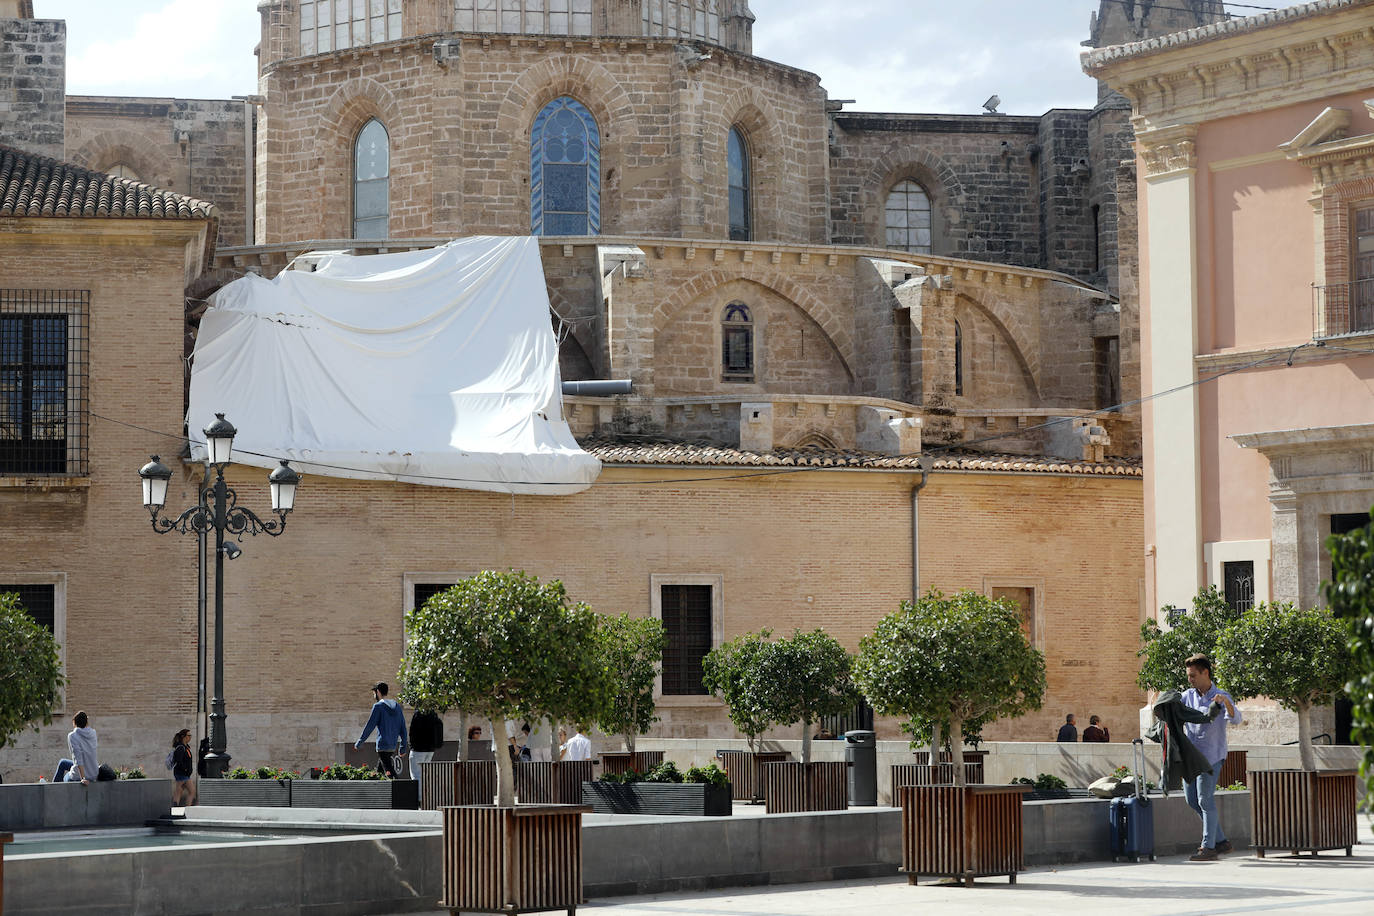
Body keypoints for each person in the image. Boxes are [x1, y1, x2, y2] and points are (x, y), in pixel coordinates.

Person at [1181, 653, 1241, 861]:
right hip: (1191, 757)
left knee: (1205, 799)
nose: (1190, 679)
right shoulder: (1187, 696)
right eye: (1189, 676)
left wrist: (1227, 703)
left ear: (1205, 672)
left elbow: (1236, 719)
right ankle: (1222, 842)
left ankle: (1208, 847)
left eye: (1192, 675)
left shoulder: (1221, 695)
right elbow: (1174, 712)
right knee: (1191, 800)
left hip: (1212, 756)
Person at [354, 682, 408, 778]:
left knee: (390, 773)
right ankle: (376, 789)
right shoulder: (397, 707)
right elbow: (403, 727)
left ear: (378, 692)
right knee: (380, 772)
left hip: (382, 745)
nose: (374, 695)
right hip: (392, 745)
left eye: (374, 693)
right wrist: (403, 746)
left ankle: (399, 790)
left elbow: (370, 726)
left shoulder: (378, 707)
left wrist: (360, 742)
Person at [53, 711, 99, 784]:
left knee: (65, 777)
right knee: (63, 762)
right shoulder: (93, 733)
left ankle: (53, 790)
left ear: (74, 722)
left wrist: (83, 778)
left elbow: (78, 758)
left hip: (80, 775)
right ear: (86, 722)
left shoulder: (73, 736)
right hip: (94, 773)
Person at [408, 708, 444, 780]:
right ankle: (424, 791)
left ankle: (419, 791)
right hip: (430, 749)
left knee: (416, 776)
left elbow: (412, 731)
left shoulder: (418, 714)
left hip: (418, 749)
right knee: (424, 776)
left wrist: (412, 745)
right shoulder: (433, 714)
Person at [170, 728, 196, 806]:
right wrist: (185, 769)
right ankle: (186, 808)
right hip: (182, 774)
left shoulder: (185, 747)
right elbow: (179, 761)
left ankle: (176, 806)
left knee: (179, 790)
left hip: (184, 774)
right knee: (191, 791)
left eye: (190, 735)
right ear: (183, 736)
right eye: (189, 735)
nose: (190, 737)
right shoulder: (181, 747)